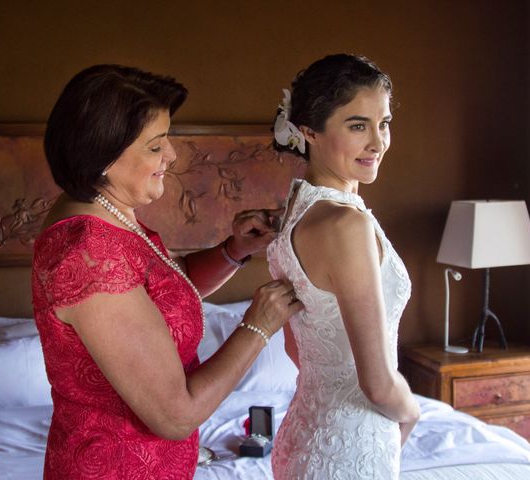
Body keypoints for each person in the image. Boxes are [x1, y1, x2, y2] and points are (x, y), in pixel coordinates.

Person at [32, 64, 302, 479]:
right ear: (104, 156)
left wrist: (234, 250)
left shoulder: (109, 214)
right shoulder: (89, 253)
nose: (172, 155)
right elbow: (177, 416)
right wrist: (258, 325)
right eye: (156, 146)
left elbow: (162, 294)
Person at [267, 54, 420, 479]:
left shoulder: (295, 212)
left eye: (383, 123)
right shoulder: (345, 225)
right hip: (349, 450)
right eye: (358, 126)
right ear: (309, 131)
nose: (378, 142)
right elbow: (378, 384)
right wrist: (411, 412)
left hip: (303, 436)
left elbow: (298, 350)